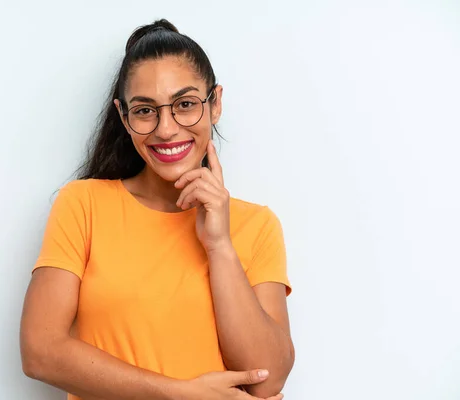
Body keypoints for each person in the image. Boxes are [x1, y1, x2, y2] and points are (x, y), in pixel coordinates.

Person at [20, 19, 294, 400]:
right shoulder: (83, 204)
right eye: (146, 110)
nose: (166, 129)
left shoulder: (257, 226)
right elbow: (40, 352)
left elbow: (267, 379)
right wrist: (180, 394)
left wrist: (219, 245)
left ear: (215, 105)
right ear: (123, 115)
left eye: (185, 105)